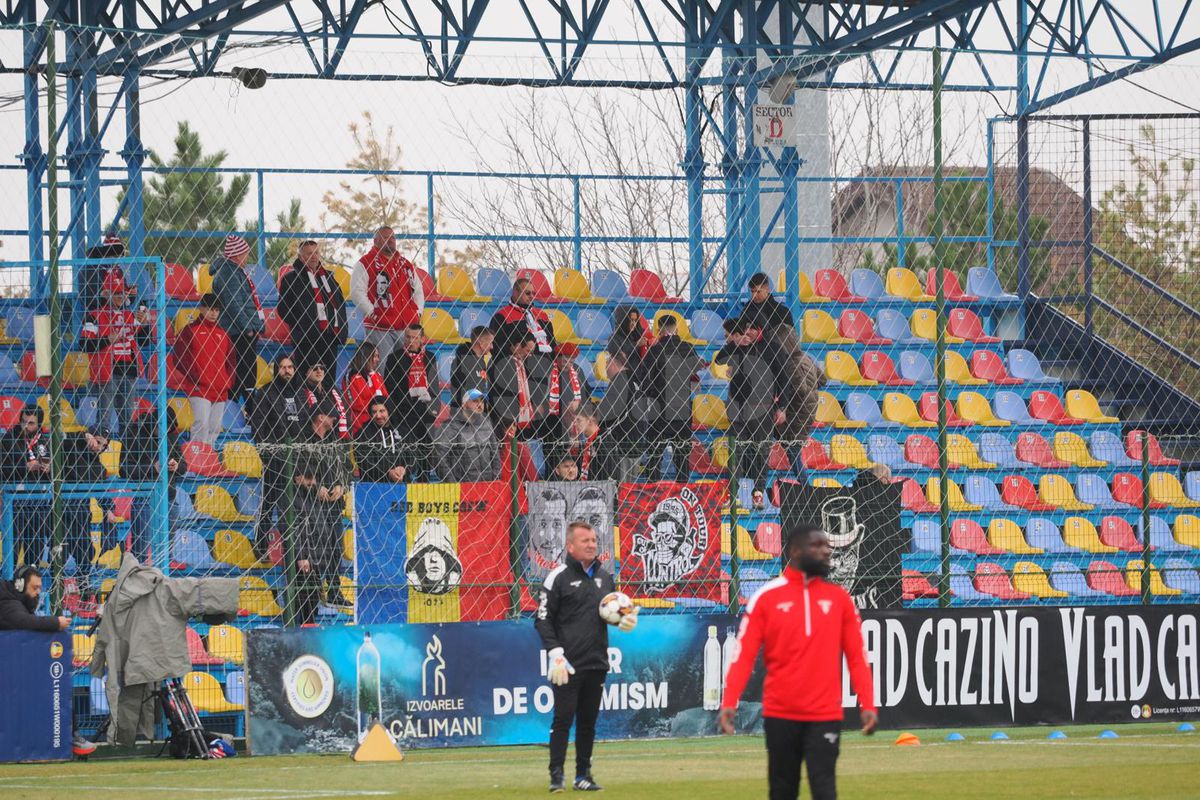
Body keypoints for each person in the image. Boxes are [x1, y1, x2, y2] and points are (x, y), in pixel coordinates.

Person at [719, 523, 878, 800]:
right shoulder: (765, 599)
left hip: (825, 714)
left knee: (825, 789)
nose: (826, 551)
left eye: (826, 546)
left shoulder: (840, 600)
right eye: (816, 546)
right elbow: (742, 656)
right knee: (782, 791)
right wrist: (730, 701)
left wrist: (868, 702)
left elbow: (857, 656)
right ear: (795, 551)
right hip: (781, 714)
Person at [535, 520, 637, 793]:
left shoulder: (606, 578)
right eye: (585, 541)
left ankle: (583, 775)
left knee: (588, 722)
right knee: (563, 719)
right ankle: (556, 775)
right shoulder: (557, 577)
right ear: (570, 546)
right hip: (565, 665)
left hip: (597, 662)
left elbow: (611, 614)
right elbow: (542, 620)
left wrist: (624, 621)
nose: (592, 544)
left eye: (594, 540)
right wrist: (555, 653)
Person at [0, 566, 97, 757]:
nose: (38, 594)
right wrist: (55, 623)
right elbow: (24, 622)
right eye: (34, 588)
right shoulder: (9, 604)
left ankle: (68, 736)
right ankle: (71, 736)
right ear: (20, 585)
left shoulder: (13, 601)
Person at [714, 318, 786, 510]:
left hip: (763, 407)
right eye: (745, 330)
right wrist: (734, 343)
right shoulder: (740, 346)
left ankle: (758, 493)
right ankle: (732, 493)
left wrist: (782, 407)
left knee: (762, 452)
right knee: (734, 449)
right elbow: (719, 359)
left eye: (751, 330)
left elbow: (784, 377)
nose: (748, 334)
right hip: (739, 408)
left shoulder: (772, 348)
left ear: (759, 329)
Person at [293, 403, 351, 623]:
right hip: (312, 506)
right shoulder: (303, 442)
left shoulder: (334, 442)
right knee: (315, 553)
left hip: (334, 504)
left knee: (336, 547)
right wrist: (318, 489)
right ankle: (311, 603)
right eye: (331, 415)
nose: (335, 419)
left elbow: (346, 470)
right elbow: (299, 477)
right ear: (320, 417)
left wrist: (340, 487)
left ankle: (334, 590)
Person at [79, 271, 150, 436]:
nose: (120, 297)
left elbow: (144, 341)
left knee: (127, 419)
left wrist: (145, 325)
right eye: (116, 293)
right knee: (104, 417)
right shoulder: (94, 315)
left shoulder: (129, 315)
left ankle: (126, 455)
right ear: (107, 294)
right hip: (107, 372)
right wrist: (107, 340)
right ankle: (101, 453)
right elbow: (83, 345)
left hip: (129, 371)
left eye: (122, 293)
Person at [247, 355, 304, 556]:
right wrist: (266, 454)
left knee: (297, 505)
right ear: (276, 370)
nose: (287, 371)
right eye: (282, 367)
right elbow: (258, 426)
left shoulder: (300, 393)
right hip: (275, 459)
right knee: (269, 504)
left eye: (290, 367)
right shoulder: (265, 393)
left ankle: (296, 548)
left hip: (298, 459)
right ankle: (261, 545)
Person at [643, 313, 706, 481]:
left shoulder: (655, 350)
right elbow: (696, 370)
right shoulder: (688, 348)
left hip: (659, 410)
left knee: (655, 457)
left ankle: (652, 495)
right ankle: (682, 493)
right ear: (676, 329)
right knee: (682, 458)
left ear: (658, 330)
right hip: (682, 410)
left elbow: (644, 378)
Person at [351, 226, 424, 369]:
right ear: (375, 240)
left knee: (405, 369)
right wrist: (374, 314)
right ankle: (381, 392)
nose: (390, 241)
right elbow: (356, 292)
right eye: (385, 237)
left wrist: (417, 313)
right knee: (382, 368)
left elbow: (419, 291)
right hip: (379, 328)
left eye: (393, 238)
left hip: (405, 328)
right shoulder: (365, 262)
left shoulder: (405, 264)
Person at [123, 405, 183, 563]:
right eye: (163, 427)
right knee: (141, 549)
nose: (166, 432)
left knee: (165, 553)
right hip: (145, 497)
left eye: (170, 428)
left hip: (168, 497)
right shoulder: (135, 433)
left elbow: (183, 466)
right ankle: (140, 575)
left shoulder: (171, 436)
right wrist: (152, 468)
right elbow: (124, 469)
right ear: (155, 422)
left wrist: (177, 466)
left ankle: (164, 573)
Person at [279, 240, 348, 377]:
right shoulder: (291, 279)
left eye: (316, 253)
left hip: (329, 337)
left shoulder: (328, 277)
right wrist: (304, 324)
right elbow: (283, 309)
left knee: (328, 379)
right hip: (306, 340)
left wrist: (341, 329)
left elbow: (339, 304)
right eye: (309, 254)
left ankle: (328, 398)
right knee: (307, 378)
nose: (314, 257)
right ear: (300, 257)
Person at [210, 235, 266, 403]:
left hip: (241, 331)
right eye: (245, 254)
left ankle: (244, 411)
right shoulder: (229, 273)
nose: (247, 258)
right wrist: (248, 328)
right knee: (241, 376)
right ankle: (243, 411)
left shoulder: (234, 271)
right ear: (237, 255)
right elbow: (235, 304)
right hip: (238, 334)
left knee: (245, 375)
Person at [381, 324, 441, 479]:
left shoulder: (430, 357)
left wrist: (434, 408)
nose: (410, 340)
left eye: (414, 337)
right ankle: (405, 483)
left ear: (422, 339)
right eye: (407, 337)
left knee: (426, 451)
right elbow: (392, 389)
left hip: (425, 412)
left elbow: (434, 386)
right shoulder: (395, 358)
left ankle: (424, 483)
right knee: (405, 453)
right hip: (404, 413)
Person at [173, 293, 233, 445]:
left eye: (217, 310)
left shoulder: (223, 333)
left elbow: (232, 361)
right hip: (199, 388)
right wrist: (196, 377)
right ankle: (197, 463)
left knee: (214, 428)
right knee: (201, 426)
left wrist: (228, 381)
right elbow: (178, 357)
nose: (213, 313)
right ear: (201, 308)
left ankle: (207, 463)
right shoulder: (190, 330)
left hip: (220, 389)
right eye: (210, 309)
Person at [1, 404, 50, 569]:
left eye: (31, 423)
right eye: (23, 422)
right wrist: (26, 467)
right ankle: (10, 583)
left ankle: (32, 580)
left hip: (38, 500)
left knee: (35, 549)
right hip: (14, 501)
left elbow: (60, 470)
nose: (26, 426)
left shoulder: (45, 440)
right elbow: (4, 469)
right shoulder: (9, 439)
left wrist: (49, 469)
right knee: (12, 548)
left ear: (39, 425)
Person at [595, 351, 651, 480]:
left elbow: (608, 412)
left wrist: (592, 413)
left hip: (620, 443)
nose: (605, 369)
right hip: (635, 439)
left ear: (613, 363)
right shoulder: (635, 379)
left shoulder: (620, 380)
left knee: (620, 487)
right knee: (628, 486)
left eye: (606, 364)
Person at [434, 389, 498, 482]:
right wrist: (452, 483)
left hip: (487, 486)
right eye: (475, 401)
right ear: (464, 404)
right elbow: (439, 455)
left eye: (482, 401)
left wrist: (495, 480)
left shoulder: (487, 424)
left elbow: (495, 455)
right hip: (463, 488)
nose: (480, 404)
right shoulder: (451, 425)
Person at [541, 342, 591, 448]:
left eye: (571, 360)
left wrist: (578, 405)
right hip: (552, 423)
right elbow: (541, 397)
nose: (568, 363)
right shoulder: (547, 371)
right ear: (557, 357)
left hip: (574, 421)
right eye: (565, 359)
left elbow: (587, 395)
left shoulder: (578, 371)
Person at [489, 331, 537, 436]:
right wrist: (508, 417)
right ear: (517, 346)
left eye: (531, 352)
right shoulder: (500, 360)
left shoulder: (520, 363)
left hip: (515, 416)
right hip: (503, 417)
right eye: (528, 351)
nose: (529, 355)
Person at [354, 398, 406, 483]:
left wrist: (404, 469)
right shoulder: (363, 433)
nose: (378, 416)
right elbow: (364, 461)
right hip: (373, 486)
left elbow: (412, 455)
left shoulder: (402, 430)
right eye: (374, 412)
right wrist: (388, 473)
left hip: (402, 485)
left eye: (382, 411)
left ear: (389, 411)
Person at [341, 342, 389, 435]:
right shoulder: (351, 376)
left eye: (378, 356)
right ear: (366, 356)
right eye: (375, 356)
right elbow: (356, 404)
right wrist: (377, 409)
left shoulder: (376, 375)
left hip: (381, 424)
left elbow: (385, 398)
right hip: (360, 427)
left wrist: (373, 375)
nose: (378, 360)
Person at [301, 361, 349, 440]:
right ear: (306, 373)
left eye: (322, 368)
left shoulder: (333, 391)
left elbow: (346, 413)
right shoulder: (302, 393)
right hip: (312, 439)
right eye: (314, 368)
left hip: (337, 438)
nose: (319, 371)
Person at [569, 406, 617, 481]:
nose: (575, 424)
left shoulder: (604, 441)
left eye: (579, 420)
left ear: (590, 421)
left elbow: (608, 472)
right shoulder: (588, 441)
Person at [449, 326, 493, 407]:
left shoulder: (481, 361)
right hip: (464, 414)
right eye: (490, 343)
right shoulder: (463, 360)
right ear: (481, 342)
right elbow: (460, 389)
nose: (492, 347)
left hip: (478, 412)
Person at [606, 305, 653, 372]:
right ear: (623, 320)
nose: (634, 323)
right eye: (631, 320)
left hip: (641, 374)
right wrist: (636, 345)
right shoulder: (614, 338)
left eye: (636, 320)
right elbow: (619, 357)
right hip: (623, 376)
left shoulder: (637, 334)